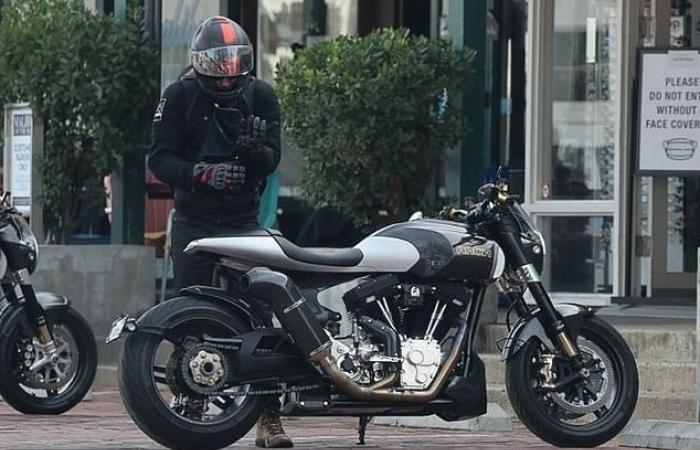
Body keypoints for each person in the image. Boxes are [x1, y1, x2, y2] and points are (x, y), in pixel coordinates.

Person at [147, 16, 292, 448]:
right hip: (194, 218)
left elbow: (272, 161)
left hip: (243, 221)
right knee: (189, 311)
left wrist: (253, 151)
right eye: (219, 63)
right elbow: (159, 158)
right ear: (200, 62)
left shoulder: (261, 94)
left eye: (235, 63)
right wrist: (201, 173)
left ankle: (269, 416)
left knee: (259, 312)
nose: (227, 74)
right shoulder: (178, 96)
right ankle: (191, 401)